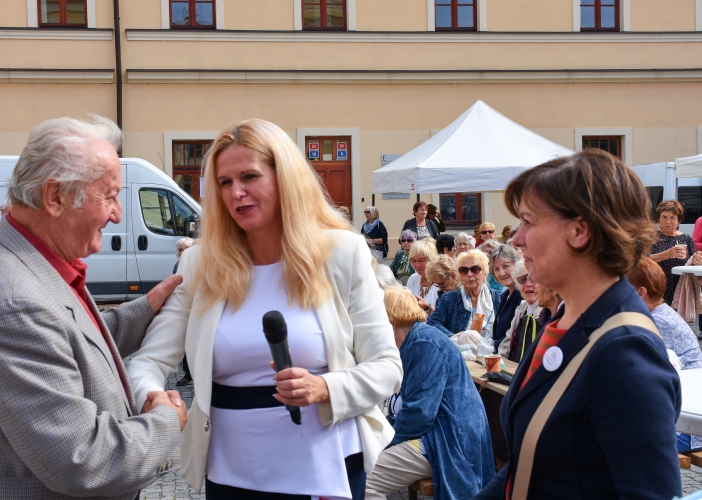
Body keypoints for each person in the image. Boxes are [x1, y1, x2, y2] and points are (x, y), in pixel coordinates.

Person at [126, 119, 403, 499]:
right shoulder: (199, 265)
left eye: (250, 177)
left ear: (284, 178)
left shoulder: (342, 254)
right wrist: (153, 396)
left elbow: (387, 368)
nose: (236, 193)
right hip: (231, 470)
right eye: (224, 182)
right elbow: (147, 363)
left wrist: (324, 386)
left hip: (323, 464)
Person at [472, 149, 681, 500]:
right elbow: (528, 463)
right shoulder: (562, 319)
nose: (517, 239)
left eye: (528, 221)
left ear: (579, 230)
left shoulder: (624, 351)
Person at [0, 116, 186, 498]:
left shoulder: (31, 259)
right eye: (109, 195)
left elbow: (69, 342)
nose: (117, 214)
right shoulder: (17, 304)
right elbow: (83, 459)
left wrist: (146, 308)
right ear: (55, 198)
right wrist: (167, 420)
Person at [365, 287, 494, 500]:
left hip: (447, 438)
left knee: (363, 480)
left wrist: (382, 442)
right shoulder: (408, 342)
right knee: (358, 463)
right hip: (433, 433)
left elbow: (420, 413)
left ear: (389, 317)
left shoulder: (424, 343)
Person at [626, 257, 702, 370]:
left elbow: (652, 363)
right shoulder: (661, 311)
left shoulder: (658, 321)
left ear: (641, 293)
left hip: (687, 378)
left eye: (624, 289)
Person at [427, 250, 502, 339]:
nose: (469, 274)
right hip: (459, 350)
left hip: (493, 350)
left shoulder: (499, 298)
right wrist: (456, 338)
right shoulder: (448, 299)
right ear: (459, 275)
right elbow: (433, 323)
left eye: (475, 269)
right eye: (464, 270)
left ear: (485, 274)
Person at [650, 199, 702, 305]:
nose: (668, 221)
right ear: (659, 219)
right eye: (664, 217)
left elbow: (692, 261)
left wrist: (697, 260)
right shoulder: (651, 238)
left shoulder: (686, 239)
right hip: (656, 289)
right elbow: (642, 260)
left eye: (672, 218)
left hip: (681, 289)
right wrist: (667, 254)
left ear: (679, 220)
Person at [498, 262, 542, 363]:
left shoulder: (547, 310)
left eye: (533, 278)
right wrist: (500, 363)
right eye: (522, 280)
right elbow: (507, 341)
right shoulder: (522, 307)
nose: (527, 284)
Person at [490, 244, 524, 352]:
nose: (501, 273)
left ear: (517, 265)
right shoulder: (505, 295)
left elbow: (516, 335)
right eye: (496, 269)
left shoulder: (522, 295)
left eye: (506, 266)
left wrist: (490, 346)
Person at [174, 237, 196, 386]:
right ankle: (188, 373)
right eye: (181, 249)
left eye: (186, 249)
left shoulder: (196, 264)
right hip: (184, 309)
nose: (183, 252)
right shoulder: (177, 265)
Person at [406, 238, 440, 315]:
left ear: (432, 259)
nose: (417, 265)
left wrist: (428, 308)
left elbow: (445, 314)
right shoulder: (413, 278)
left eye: (421, 260)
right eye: (413, 261)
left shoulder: (441, 281)